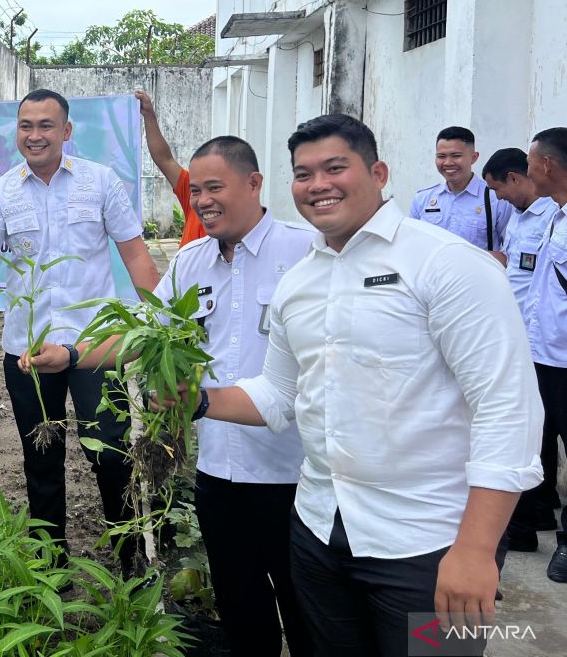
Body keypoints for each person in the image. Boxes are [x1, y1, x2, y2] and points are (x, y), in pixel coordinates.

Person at [165, 115, 541, 655]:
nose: (318, 184)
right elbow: (278, 394)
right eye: (303, 173)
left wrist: (477, 550)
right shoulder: (301, 282)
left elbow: (508, 410)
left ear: (379, 172)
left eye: (334, 167)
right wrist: (199, 400)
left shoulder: (446, 264)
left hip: (428, 544)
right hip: (319, 533)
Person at [24, 136, 312, 656]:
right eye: (195, 190)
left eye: (214, 187)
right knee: (242, 611)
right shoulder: (191, 263)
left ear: (254, 183)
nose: (202, 200)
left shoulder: (305, 252)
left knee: (308, 612)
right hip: (219, 470)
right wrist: (69, 354)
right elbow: (139, 335)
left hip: (296, 474)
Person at [0, 88, 161, 577]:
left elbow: (135, 254)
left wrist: (163, 319)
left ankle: (130, 562)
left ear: (67, 131)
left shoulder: (100, 182)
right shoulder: (0, 191)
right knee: (42, 458)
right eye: (26, 126)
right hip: (27, 350)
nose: (34, 136)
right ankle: (50, 563)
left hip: (96, 346)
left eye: (45, 126)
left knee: (113, 455)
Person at [481, 147, 560, 550]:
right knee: (536, 433)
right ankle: (535, 513)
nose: (499, 199)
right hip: (532, 343)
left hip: (557, 349)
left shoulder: (553, 216)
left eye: (499, 190)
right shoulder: (531, 219)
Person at [518, 127, 567, 582]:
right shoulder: (553, 214)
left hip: (564, 357)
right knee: (537, 436)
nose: (528, 168)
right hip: (544, 351)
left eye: (531, 160)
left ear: (547, 165)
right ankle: (532, 517)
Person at [410, 126, 513, 251]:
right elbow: (412, 244)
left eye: (456, 155)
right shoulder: (423, 199)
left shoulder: (496, 198)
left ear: (474, 157)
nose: (448, 162)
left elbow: (510, 250)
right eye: (441, 156)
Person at [135, 90, 205, 246]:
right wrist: (149, 115)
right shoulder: (193, 194)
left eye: (216, 187)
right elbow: (164, 159)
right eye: (198, 190)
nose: (205, 199)